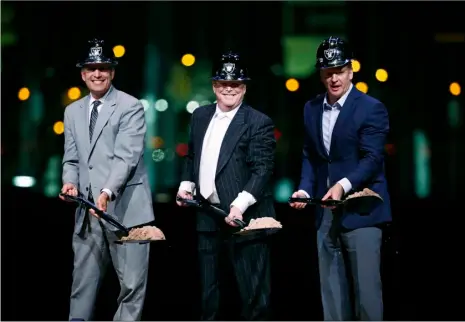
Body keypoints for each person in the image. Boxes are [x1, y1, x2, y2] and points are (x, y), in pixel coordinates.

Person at [289, 37, 392, 321]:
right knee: (331, 294)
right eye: (327, 72)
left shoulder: (371, 107)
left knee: (367, 294)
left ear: (350, 70)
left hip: (362, 210)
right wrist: (303, 189)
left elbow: (372, 158)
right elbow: (311, 155)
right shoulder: (311, 108)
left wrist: (342, 185)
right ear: (320, 73)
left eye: (339, 70)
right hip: (324, 212)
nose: (333, 78)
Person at [176, 51, 276, 320]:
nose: (229, 89)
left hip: (246, 220)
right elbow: (193, 156)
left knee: (253, 296)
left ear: (244, 88)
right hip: (207, 217)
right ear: (214, 86)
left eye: (235, 84)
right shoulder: (200, 116)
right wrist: (186, 184)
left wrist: (240, 205)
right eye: (223, 84)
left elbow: (262, 168)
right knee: (209, 296)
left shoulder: (258, 121)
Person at [60, 38, 154, 321]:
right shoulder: (72, 111)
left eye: (103, 68)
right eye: (91, 68)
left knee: (130, 289)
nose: (97, 74)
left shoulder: (130, 106)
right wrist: (69, 182)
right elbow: (71, 157)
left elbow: (127, 156)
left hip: (126, 211)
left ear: (112, 72)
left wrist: (106, 192)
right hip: (87, 213)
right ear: (82, 73)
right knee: (82, 287)